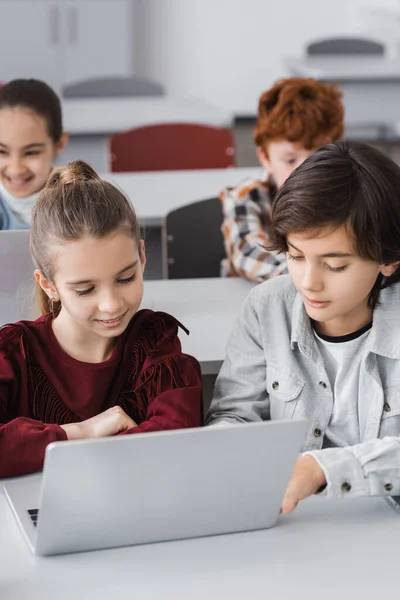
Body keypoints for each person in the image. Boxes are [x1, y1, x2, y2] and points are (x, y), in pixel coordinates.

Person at [207, 140, 400, 513]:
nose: (309, 282)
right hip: (293, 525)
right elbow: (234, 414)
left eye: (335, 265)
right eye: (296, 256)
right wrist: (226, 449)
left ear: (388, 260)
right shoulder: (267, 307)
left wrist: (322, 468)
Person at [0, 161, 202, 478]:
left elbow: (177, 433)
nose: (111, 305)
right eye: (85, 290)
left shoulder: (153, 342)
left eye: (126, 278)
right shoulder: (13, 353)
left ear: (142, 256)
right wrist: (81, 432)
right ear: (48, 285)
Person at [221, 77, 344, 282]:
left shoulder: (348, 194)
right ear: (265, 158)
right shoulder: (244, 198)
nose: (305, 169)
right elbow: (249, 256)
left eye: (318, 155)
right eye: (290, 160)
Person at [0, 78, 68, 230]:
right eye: (2, 151)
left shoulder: (82, 205)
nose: (15, 169)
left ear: (59, 144)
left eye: (31, 153)